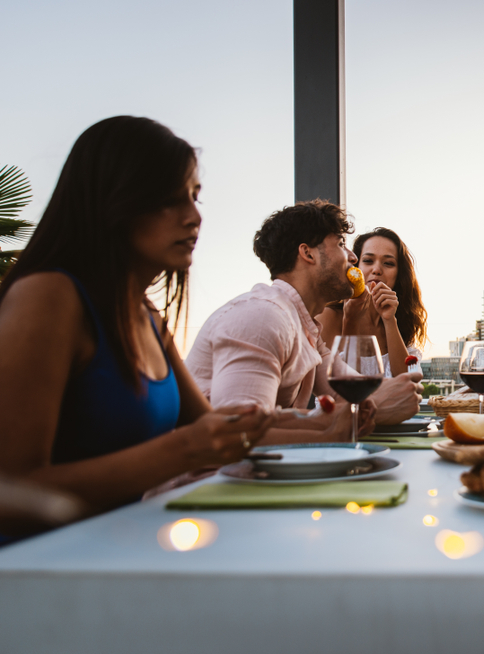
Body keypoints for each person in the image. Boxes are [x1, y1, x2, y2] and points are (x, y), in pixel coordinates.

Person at [0, 116, 275, 534]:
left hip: (122, 549)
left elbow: (211, 430)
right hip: (37, 565)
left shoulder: (147, 316)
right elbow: (11, 488)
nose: (194, 217)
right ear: (115, 203)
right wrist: (181, 451)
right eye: (170, 199)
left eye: (195, 197)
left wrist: (317, 424)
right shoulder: (49, 296)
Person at [185, 202, 423, 437]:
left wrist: (391, 395)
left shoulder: (305, 329)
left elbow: (350, 392)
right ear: (308, 253)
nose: (352, 257)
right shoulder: (263, 317)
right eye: (341, 244)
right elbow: (239, 434)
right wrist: (342, 425)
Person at [318, 227, 427, 378]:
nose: (376, 269)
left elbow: (407, 380)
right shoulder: (328, 317)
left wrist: (389, 320)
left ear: (399, 274)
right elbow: (343, 384)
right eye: (368, 261)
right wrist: (350, 319)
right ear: (356, 267)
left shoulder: (403, 321)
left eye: (388, 263)